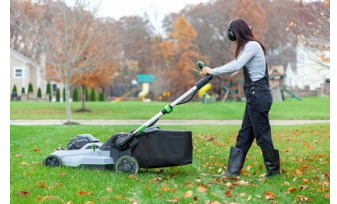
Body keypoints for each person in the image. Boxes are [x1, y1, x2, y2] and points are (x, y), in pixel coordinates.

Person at [200, 18, 280, 179]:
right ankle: (232, 171)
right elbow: (238, 63)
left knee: (262, 134)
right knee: (244, 134)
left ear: (235, 33)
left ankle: (273, 172)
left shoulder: (252, 46)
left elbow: (236, 65)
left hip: (258, 95)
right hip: (254, 96)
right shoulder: (248, 47)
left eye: (231, 33)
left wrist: (212, 70)